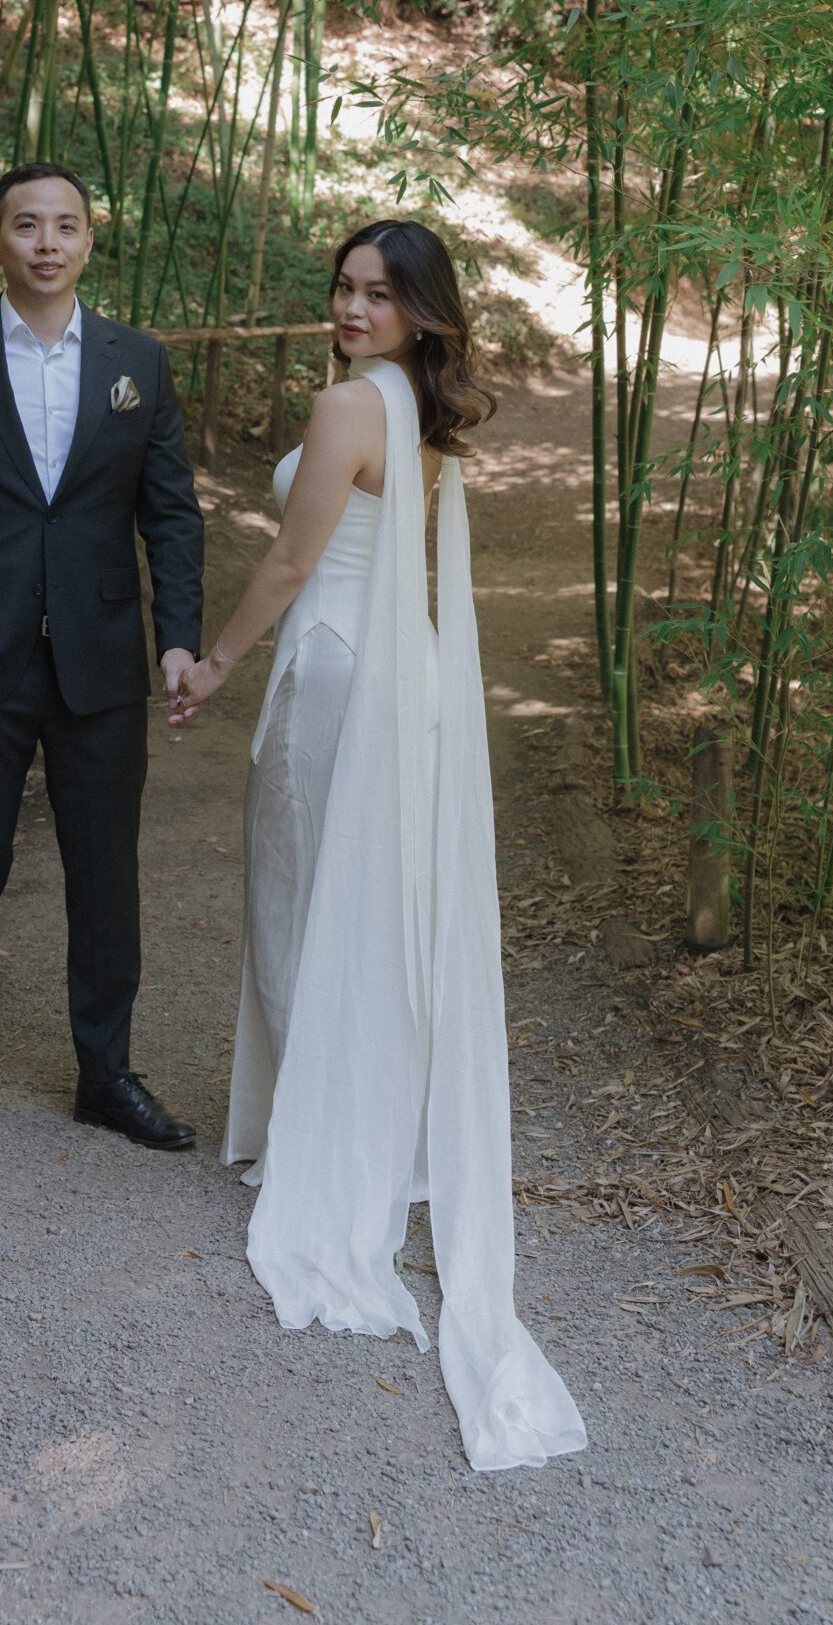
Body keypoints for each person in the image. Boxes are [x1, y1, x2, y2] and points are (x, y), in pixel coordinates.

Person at [171, 220, 586, 1472]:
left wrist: (214, 663)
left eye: (378, 295)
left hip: (336, 667)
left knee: (300, 897)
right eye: (344, 290)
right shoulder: (422, 407)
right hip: (392, 678)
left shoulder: (351, 402)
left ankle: (316, 1147)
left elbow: (294, 560)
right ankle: (347, 1127)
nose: (351, 310)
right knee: (355, 903)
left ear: (418, 312)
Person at [0, 163, 205, 1153]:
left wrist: (175, 633)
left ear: (90, 240)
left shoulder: (136, 358)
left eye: (65, 225)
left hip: (100, 657)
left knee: (106, 874)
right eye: (27, 225)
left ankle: (107, 1073)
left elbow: (171, 512)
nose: (47, 242)